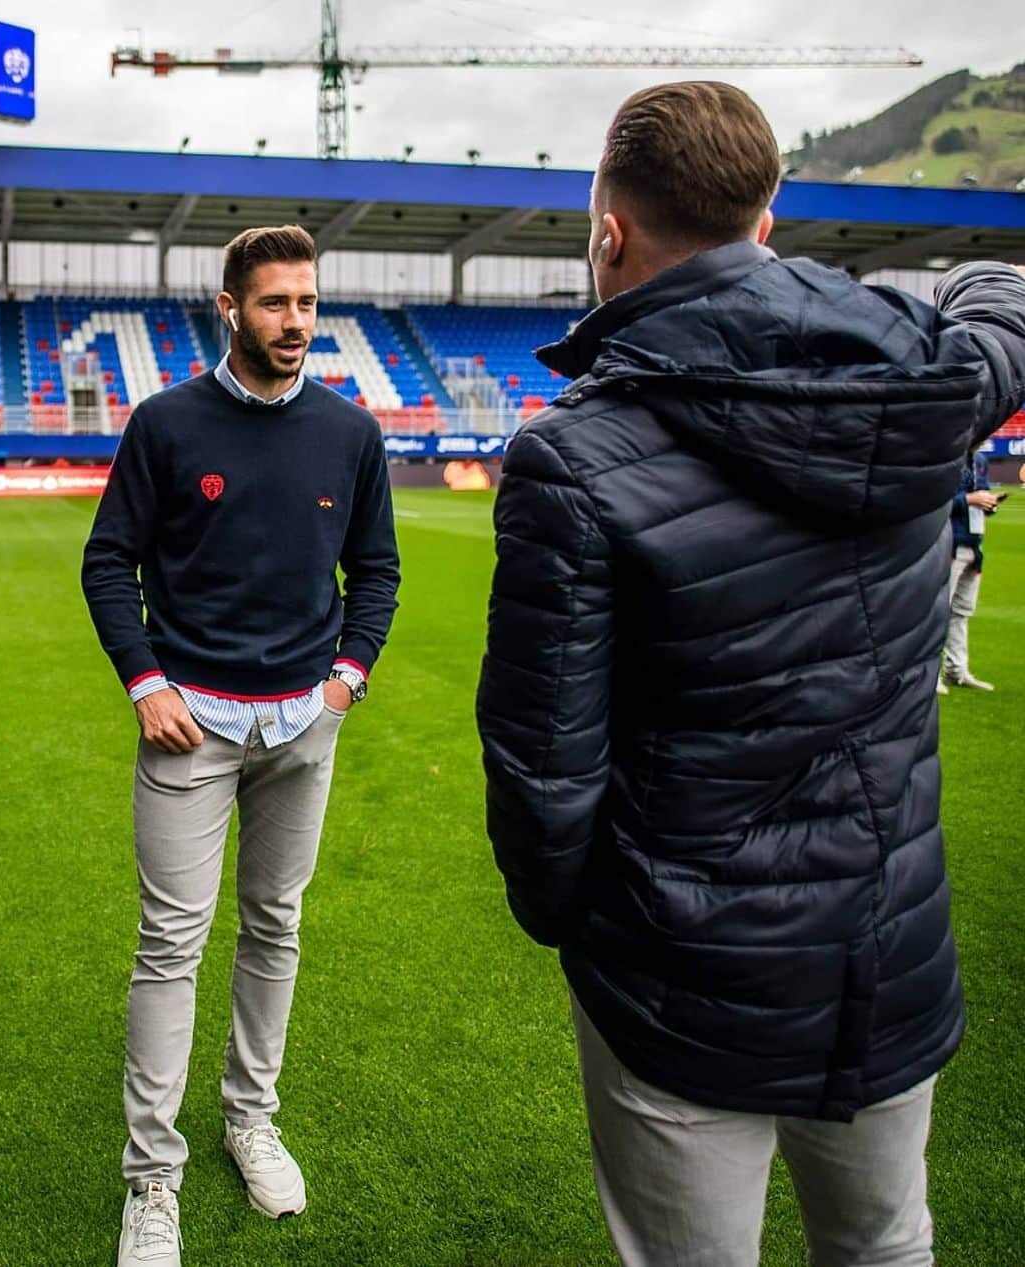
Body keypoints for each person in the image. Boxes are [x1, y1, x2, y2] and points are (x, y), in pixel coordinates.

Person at [475, 82, 1025, 1267]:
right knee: (886, 1242)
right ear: (765, 223)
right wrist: (878, 295)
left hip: (680, 969)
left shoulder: (570, 457)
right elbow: (1005, 299)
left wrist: (572, 920)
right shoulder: (922, 378)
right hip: (885, 939)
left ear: (609, 233)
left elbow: (544, 770)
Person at [82, 225, 399, 1267]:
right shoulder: (166, 422)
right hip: (191, 730)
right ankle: (151, 1179)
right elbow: (109, 561)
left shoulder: (352, 434)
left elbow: (378, 572)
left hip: (303, 726)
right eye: (274, 303)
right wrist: (146, 681)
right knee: (171, 945)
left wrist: (346, 679)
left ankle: (249, 1119)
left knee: (276, 927)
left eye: (307, 302)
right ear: (230, 308)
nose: (296, 321)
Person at [940, 446, 1001, 691]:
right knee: (939, 612)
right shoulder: (948, 457)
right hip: (949, 543)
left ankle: (957, 670)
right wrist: (968, 499)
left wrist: (990, 504)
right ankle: (931, 676)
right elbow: (934, 502)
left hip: (974, 545)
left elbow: (981, 494)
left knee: (962, 611)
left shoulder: (980, 460)